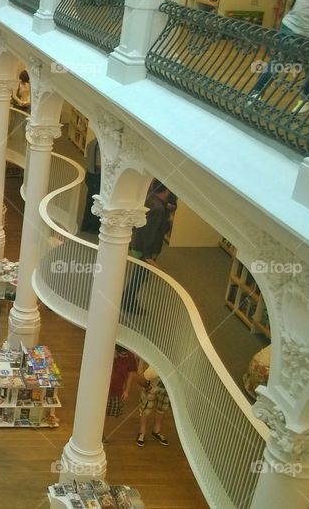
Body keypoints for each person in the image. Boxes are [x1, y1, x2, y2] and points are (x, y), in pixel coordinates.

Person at [123, 182, 171, 314]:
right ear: (166, 190)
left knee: (138, 276)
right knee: (140, 277)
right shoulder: (158, 210)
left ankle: (127, 299)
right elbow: (151, 232)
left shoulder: (150, 199)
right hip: (145, 249)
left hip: (138, 243)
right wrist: (148, 256)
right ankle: (127, 301)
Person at [103, 345, 138, 443]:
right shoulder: (109, 353)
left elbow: (131, 373)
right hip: (102, 389)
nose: (123, 356)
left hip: (116, 390)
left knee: (107, 413)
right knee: (99, 412)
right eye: (121, 354)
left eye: (125, 354)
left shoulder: (130, 357)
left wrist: (127, 390)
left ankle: (100, 433)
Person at [136, 360, 170, 447]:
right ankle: (142, 432)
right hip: (151, 384)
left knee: (161, 409)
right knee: (146, 409)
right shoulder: (154, 368)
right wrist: (147, 387)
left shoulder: (170, 365)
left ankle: (156, 431)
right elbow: (140, 379)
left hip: (166, 387)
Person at [80, 139, 101, 233]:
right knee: (96, 202)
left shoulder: (91, 142)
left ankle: (86, 225)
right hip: (96, 176)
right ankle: (93, 227)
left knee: (90, 200)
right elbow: (98, 164)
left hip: (90, 174)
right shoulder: (100, 146)